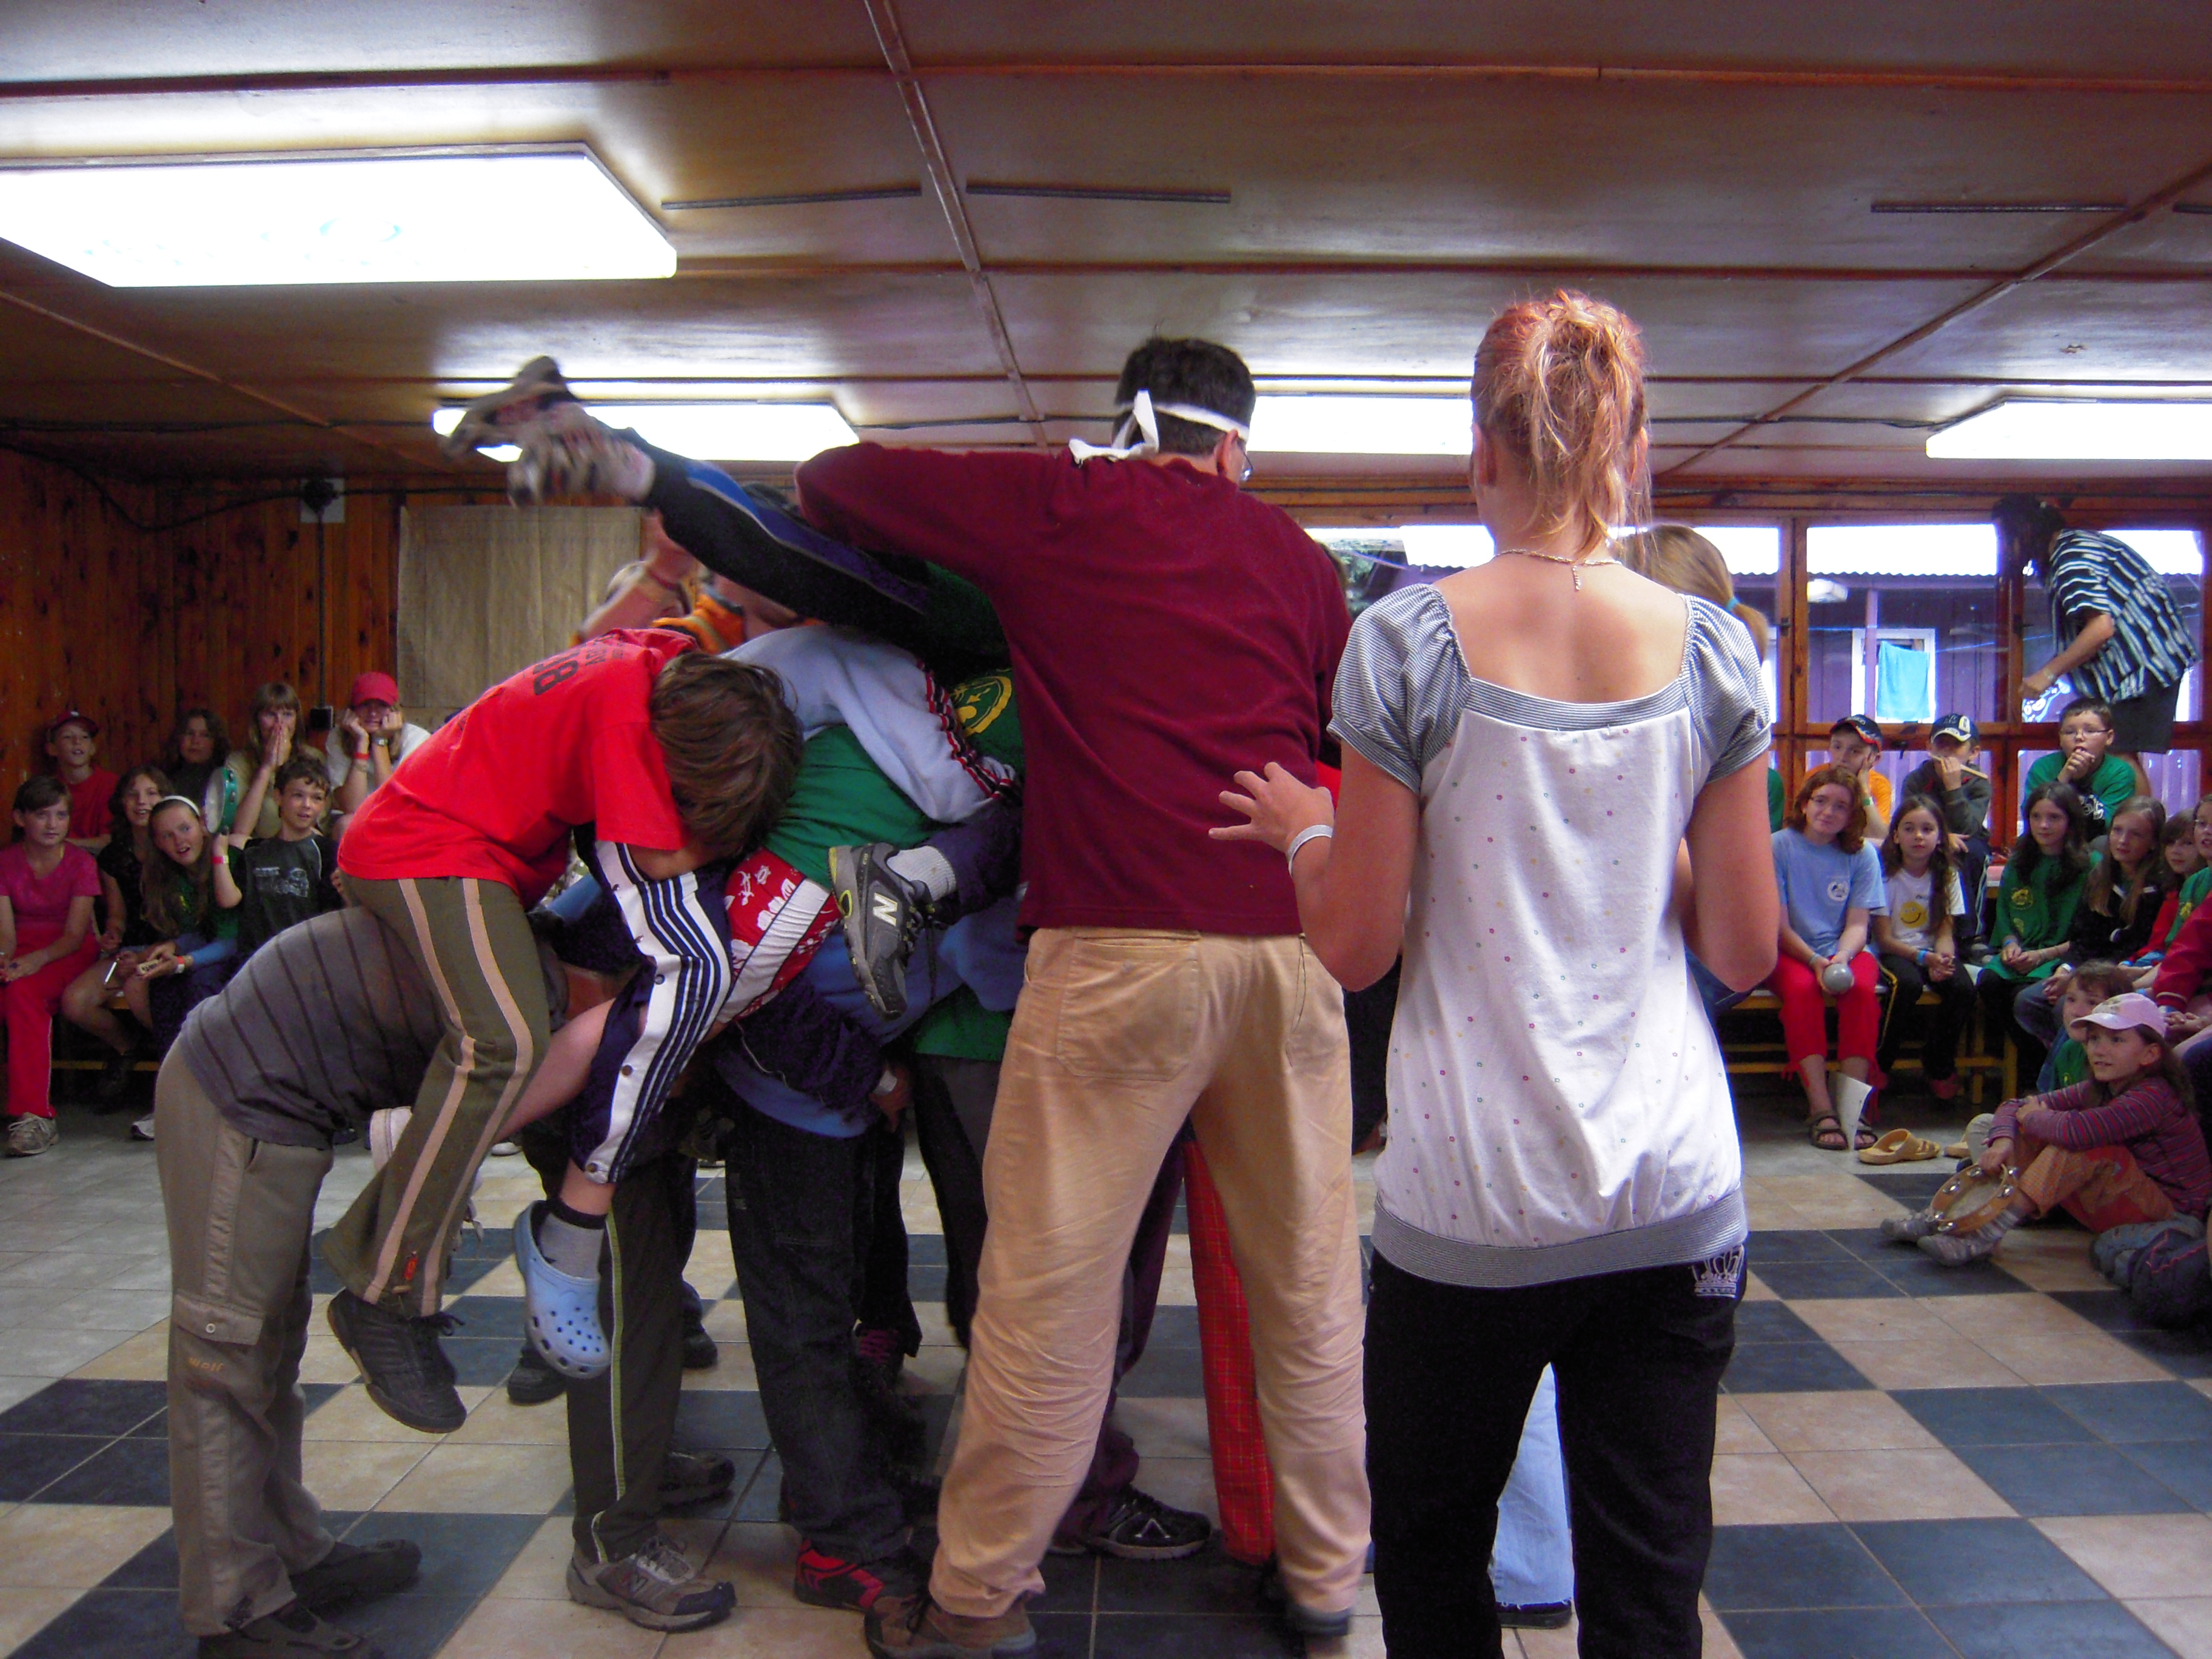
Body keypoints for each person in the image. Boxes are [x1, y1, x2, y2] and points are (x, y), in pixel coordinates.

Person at [459, 340, 1369, 1648]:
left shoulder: (1069, 507)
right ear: (1236, 448)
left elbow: (834, 486)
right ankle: (1327, 1580)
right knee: (1309, 1287)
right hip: (1277, 947)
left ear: (1126, 427)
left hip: (1110, 950)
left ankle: (977, 1596)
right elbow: (1337, 733)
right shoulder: (1296, 558)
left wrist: (1059, 481)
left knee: (1042, 1298)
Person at [1222, 291, 1775, 1659]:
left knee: (1433, 1559)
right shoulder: (1714, 650)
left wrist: (1304, 837)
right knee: (1649, 1582)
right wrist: (1637, 834)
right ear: (1631, 448)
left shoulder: (1408, 642)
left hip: (1476, 1195)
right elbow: (1742, 950)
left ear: (1479, 451)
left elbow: (1356, 943)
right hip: (1673, 1195)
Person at [155, 902, 742, 1652]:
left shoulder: (540, 966)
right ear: (603, 982)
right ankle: (236, 1608)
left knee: (270, 1350)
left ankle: (293, 1553)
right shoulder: (523, 1007)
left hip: (290, 1098)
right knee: (227, 1357)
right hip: (238, 1090)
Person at [321, 631, 799, 1440]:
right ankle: (384, 1296)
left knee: (536, 1030)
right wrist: (731, 844)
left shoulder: (656, 663)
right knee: (502, 1041)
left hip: (462, 846)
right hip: (427, 846)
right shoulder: (625, 719)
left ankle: (423, 1157)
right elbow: (654, 859)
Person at [1886, 993, 2211, 1264]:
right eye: (2094, 1039)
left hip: (2172, 1216)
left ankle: (1985, 1234)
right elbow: (2014, 1106)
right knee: (2007, 1127)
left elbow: (2078, 1133)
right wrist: (2002, 1141)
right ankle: (1942, 1217)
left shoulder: (2153, 1095)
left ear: (2151, 1053)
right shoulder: (2103, 1086)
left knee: (2078, 1145)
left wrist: (2032, 1118)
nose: (2099, 1050)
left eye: (2116, 1040)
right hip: (2123, 1198)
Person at [2005, 497, 2198, 793]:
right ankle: (2133, 820)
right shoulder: (2074, 549)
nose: (2006, 549)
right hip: (2142, 665)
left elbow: (2101, 627)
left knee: (2117, 754)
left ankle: (2140, 823)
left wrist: (2048, 673)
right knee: (2119, 753)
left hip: (2143, 666)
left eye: (2006, 537)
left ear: (2026, 530)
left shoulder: (2070, 558)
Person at [1769, 766, 1887, 1150]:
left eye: (1841, 806)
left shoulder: (1863, 854)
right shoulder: (1778, 846)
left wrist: (1841, 958)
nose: (1829, 812)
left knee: (1862, 993)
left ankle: (1854, 1109)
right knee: (1803, 993)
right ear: (1805, 804)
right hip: (1792, 950)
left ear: (1852, 815)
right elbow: (1779, 927)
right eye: (1821, 801)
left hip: (1845, 950)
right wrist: (1815, 961)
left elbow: (1858, 924)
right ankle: (1821, 1109)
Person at [0, 777, 102, 1158]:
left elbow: (75, 936)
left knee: (21, 995)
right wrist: (5, 961)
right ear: (20, 818)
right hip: (22, 948)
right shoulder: (5, 862)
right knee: (10, 988)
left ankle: (35, 1115)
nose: (52, 824)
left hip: (67, 951)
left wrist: (33, 963)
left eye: (61, 815)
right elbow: (6, 934)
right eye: (42, 815)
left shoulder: (81, 863)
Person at [59, 765, 169, 1104]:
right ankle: (126, 1047)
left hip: (168, 948)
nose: (142, 802)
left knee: (138, 990)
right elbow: (118, 917)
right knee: (75, 1002)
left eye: (151, 794)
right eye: (133, 795)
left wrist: (145, 955)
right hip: (130, 949)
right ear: (121, 802)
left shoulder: (177, 846)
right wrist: (112, 935)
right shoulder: (113, 855)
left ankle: (176, 1063)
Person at [1979, 782, 2096, 1088]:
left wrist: (2042, 956)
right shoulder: (2019, 862)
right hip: (2025, 951)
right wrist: (2010, 945)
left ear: (2070, 821)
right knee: (1990, 982)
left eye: (2054, 817)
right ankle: (2033, 1064)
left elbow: (2087, 936)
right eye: (2036, 817)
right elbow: (2006, 916)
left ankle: (2043, 1073)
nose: (2044, 825)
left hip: (2061, 956)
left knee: (2026, 996)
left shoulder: (2090, 867)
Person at [1872, 795, 1973, 1102]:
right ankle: (1880, 1062)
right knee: (1906, 985)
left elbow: (1945, 931)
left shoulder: (1948, 873)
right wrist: (1923, 958)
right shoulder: (1884, 874)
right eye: (1909, 829)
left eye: (1928, 829)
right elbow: (1884, 939)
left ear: (1940, 837)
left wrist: (1943, 958)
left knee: (1962, 988)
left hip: (1930, 951)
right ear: (1895, 836)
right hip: (1894, 951)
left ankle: (1938, 1063)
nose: (1918, 836)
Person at [216, 758, 344, 957]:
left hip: (306, 957)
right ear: (278, 797)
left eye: (317, 798)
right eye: (298, 795)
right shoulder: (254, 852)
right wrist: (218, 853)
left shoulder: (328, 852)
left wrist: (348, 891)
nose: (307, 805)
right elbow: (229, 900)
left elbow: (336, 915)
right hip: (257, 959)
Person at [1900, 712, 1992, 956]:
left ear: (1973, 753)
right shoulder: (1917, 780)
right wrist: (1941, 837)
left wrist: (1954, 787)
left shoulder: (1979, 783)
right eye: (1942, 744)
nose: (1948, 752)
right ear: (1930, 747)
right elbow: (1908, 820)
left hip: (1966, 841)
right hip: (1927, 839)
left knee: (1972, 851)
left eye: (1957, 745)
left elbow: (1969, 828)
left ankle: (1970, 935)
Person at [221, 683, 327, 843]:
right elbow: (241, 830)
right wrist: (266, 768)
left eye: (287, 715)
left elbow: (316, 821)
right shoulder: (239, 762)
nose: (279, 724)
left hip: (297, 841)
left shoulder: (313, 758)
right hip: (257, 845)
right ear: (257, 720)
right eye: (271, 715)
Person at [326, 671, 432, 821]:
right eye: (365, 705)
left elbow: (392, 803)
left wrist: (379, 741)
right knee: (347, 824)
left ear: (395, 711)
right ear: (353, 710)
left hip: (401, 817)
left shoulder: (416, 738)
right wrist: (361, 745)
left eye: (382, 706)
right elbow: (351, 806)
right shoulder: (338, 737)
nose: (373, 713)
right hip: (357, 818)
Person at [2023, 696, 2137, 833]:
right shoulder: (2042, 768)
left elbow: (2110, 826)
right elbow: (2034, 819)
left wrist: (2081, 786)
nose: (2079, 737)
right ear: (2060, 739)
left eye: (2090, 731)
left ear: (2109, 737)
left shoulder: (2120, 772)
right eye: (2070, 732)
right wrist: (2064, 778)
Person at [45, 708, 118, 852]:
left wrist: (60, 844)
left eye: (85, 737)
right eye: (67, 737)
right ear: (52, 749)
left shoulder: (111, 784)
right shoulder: (48, 789)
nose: (77, 742)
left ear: (93, 748)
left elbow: (108, 841)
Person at [1828, 714, 1892, 839]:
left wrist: (1863, 789)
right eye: (1837, 747)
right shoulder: (1816, 778)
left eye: (1855, 751)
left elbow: (1879, 836)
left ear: (1874, 759)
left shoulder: (1879, 784)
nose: (1842, 757)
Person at [159, 707, 229, 815]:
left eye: (205, 735)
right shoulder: (162, 776)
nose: (195, 741)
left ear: (216, 742)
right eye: (189, 734)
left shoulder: (224, 778)